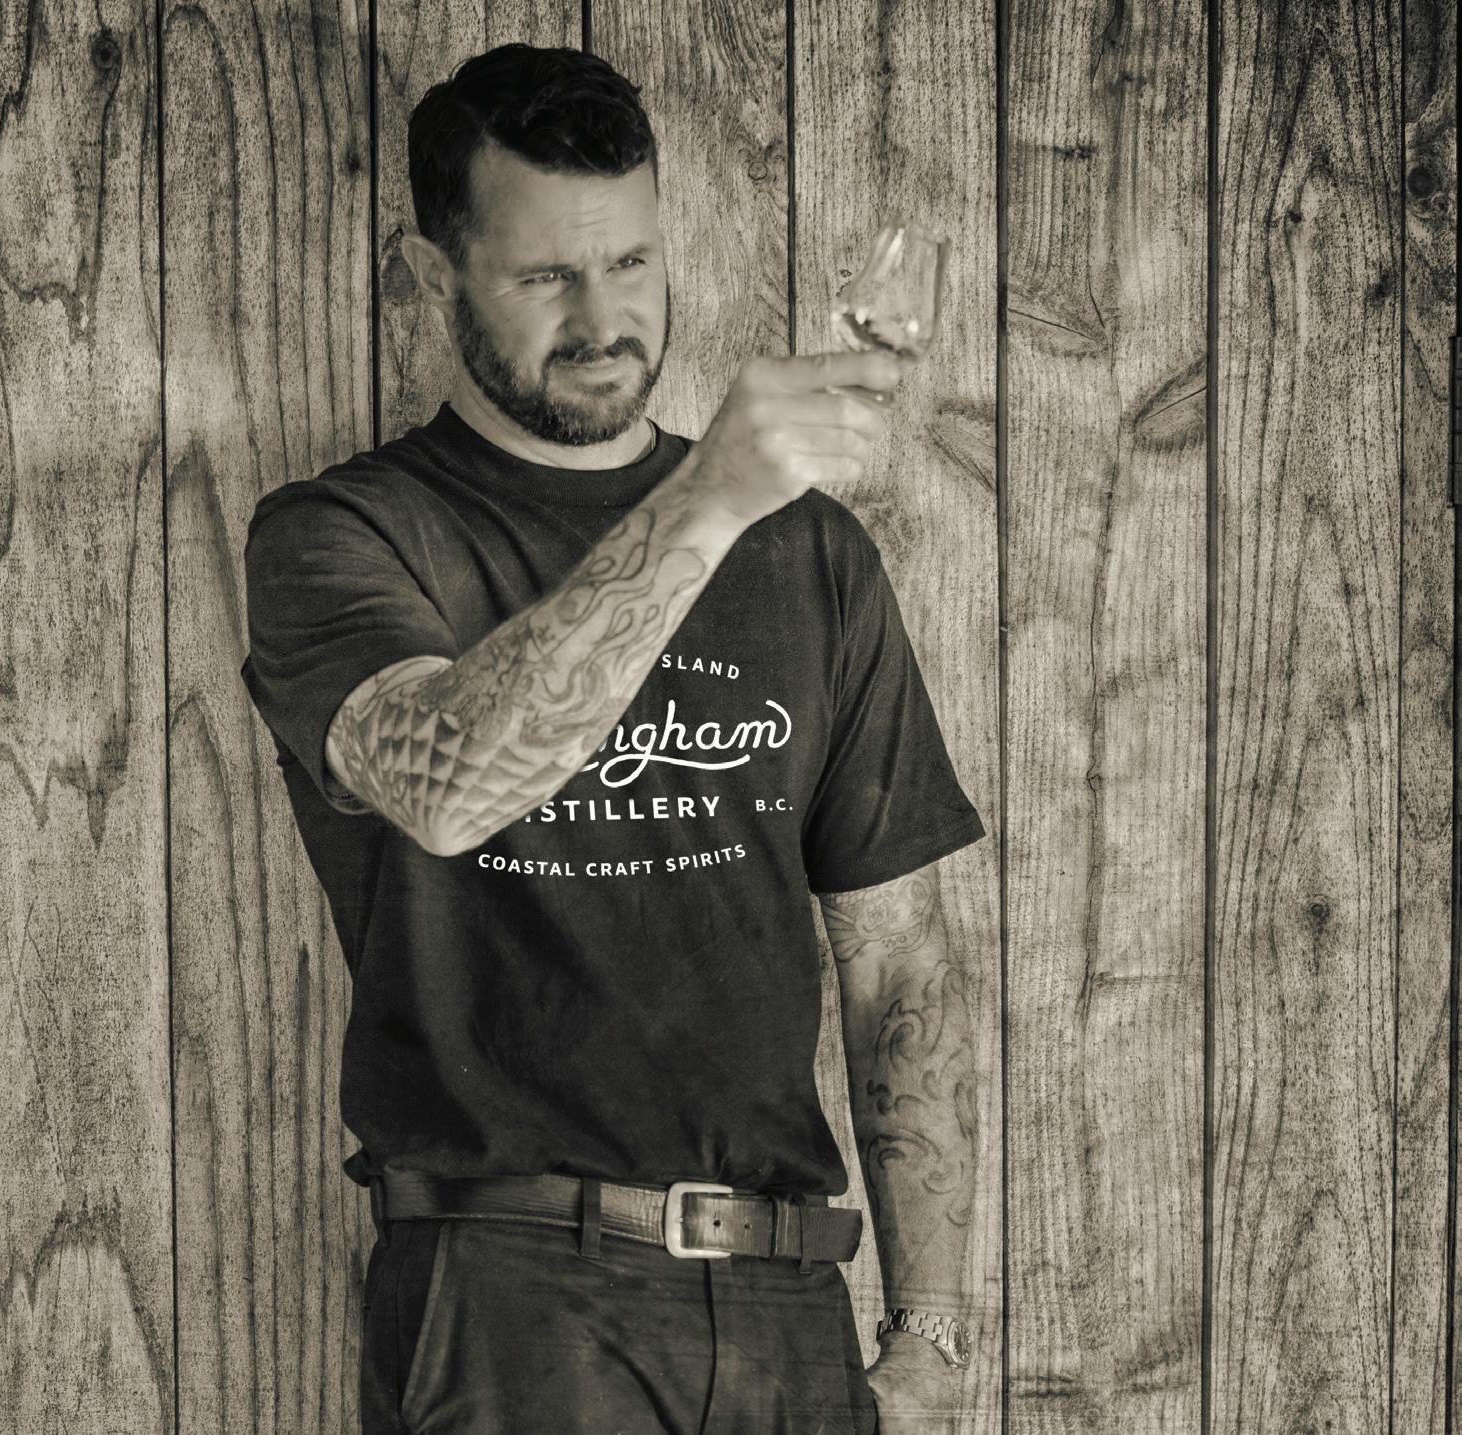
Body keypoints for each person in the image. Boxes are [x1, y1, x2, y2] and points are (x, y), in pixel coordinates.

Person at [240, 42, 985, 1435]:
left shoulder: (810, 553)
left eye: (630, 263)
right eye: (545, 276)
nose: (602, 319)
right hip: (515, 1292)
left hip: (789, 1299)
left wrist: (930, 1334)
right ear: (429, 277)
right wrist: (709, 501)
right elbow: (448, 786)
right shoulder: (344, 535)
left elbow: (899, 961)